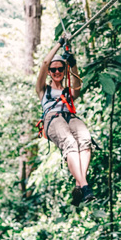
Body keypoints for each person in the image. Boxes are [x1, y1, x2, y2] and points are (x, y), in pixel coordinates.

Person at [36, 38, 94, 205]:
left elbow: (77, 84)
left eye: (60, 68)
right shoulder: (43, 90)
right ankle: (85, 186)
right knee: (69, 143)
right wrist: (59, 44)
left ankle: (79, 183)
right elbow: (45, 62)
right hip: (53, 119)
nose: (56, 71)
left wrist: (72, 62)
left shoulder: (69, 91)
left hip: (70, 117)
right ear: (49, 72)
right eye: (53, 69)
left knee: (85, 141)